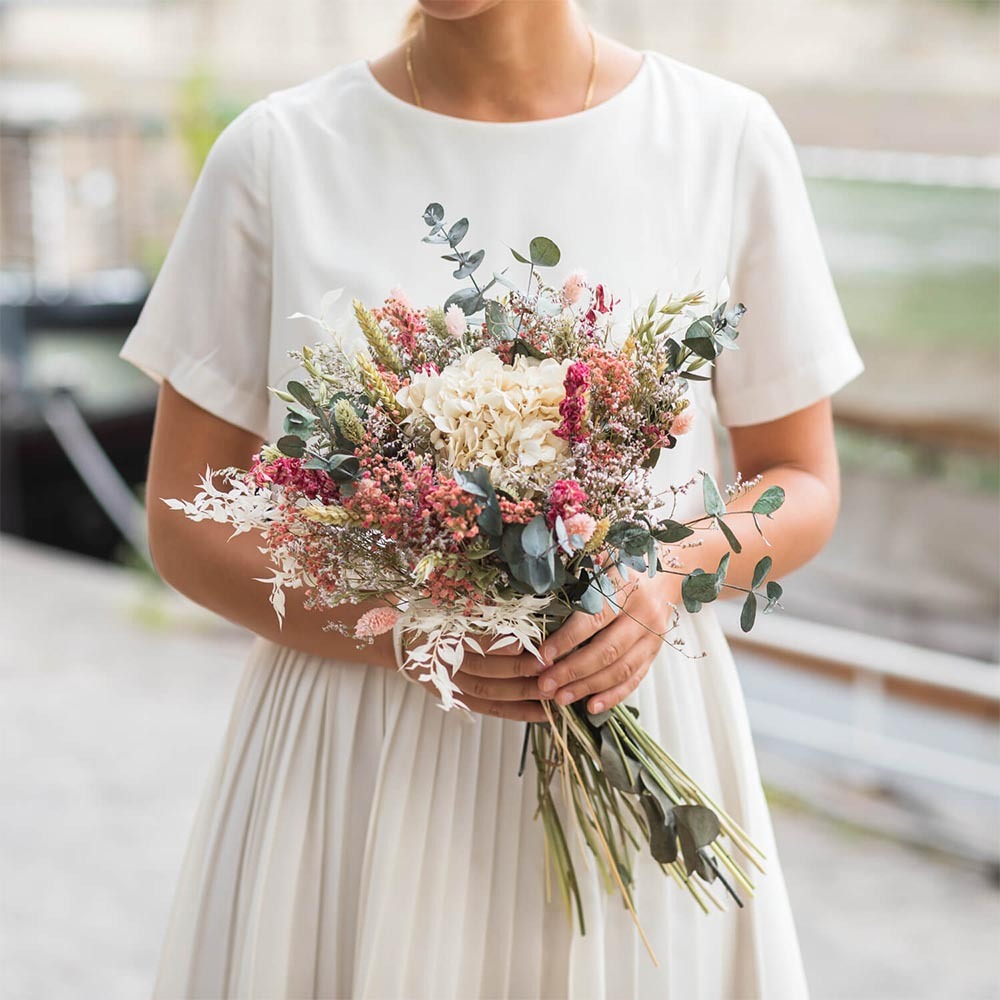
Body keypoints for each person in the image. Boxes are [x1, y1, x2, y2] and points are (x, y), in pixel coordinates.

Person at [119, 1, 864, 996]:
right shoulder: (277, 153)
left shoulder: (721, 140)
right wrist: (403, 630)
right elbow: (181, 518)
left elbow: (801, 481)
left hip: (633, 697)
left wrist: (663, 573)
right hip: (356, 760)